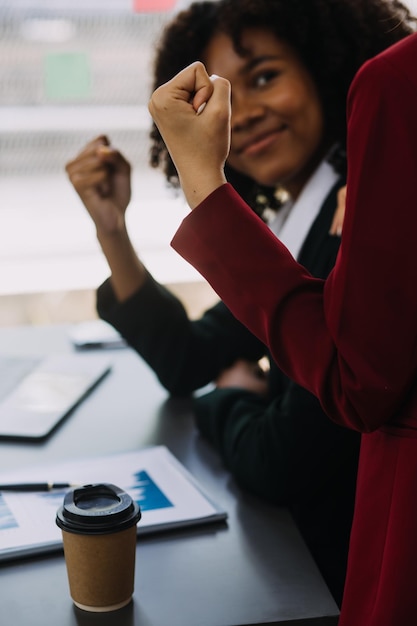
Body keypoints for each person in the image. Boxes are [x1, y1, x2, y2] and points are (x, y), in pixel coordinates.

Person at [66, 0, 413, 607]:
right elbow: (187, 357)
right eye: (220, 95)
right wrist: (112, 230)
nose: (244, 112)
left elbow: (284, 457)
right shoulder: (293, 216)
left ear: (324, 69)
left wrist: (228, 400)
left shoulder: (354, 213)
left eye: (265, 77)